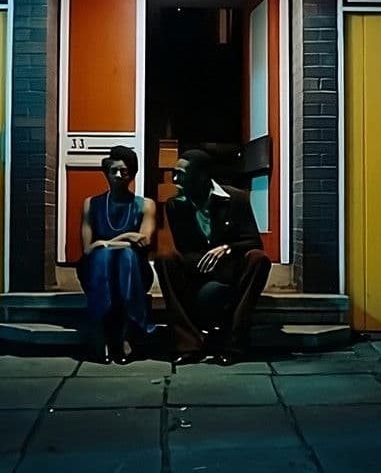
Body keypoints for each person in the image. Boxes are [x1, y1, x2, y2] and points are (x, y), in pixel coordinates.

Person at [156, 149, 272, 366]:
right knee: (165, 258)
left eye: (181, 174)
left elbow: (253, 242)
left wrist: (227, 248)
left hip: (231, 269)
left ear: (201, 176)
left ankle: (234, 345)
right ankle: (189, 345)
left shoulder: (236, 198)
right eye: (174, 173)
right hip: (197, 269)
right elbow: (185, 250)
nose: (175, 179)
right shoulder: (175, 204)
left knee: (258, 259)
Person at [76, 145, 157, 364]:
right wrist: (126, 237)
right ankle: (104, 335)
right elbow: (88, 249)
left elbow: (144, 241)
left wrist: (104, 243)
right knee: (103, 257)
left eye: (125, 171)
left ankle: (125, 335)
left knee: (126, 256)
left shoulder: (145, 205)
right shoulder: (91, 204)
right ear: (106, 173)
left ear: (132, 174)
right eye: (114, 171)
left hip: (134, 273)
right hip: (96, 271)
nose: (119, 176)